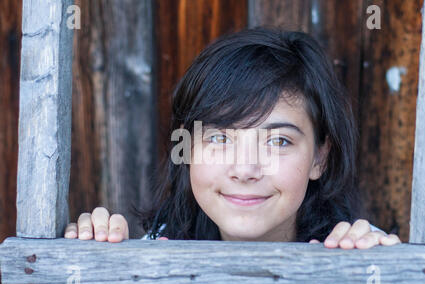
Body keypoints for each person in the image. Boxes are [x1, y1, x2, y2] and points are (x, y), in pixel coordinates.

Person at [65, 27, 401, 249]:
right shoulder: (156, 254)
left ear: (319, 157)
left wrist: (373, 277)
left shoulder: (355, 256)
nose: (244, 169)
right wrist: (104, 269)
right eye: (219, 139)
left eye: (278, 141)